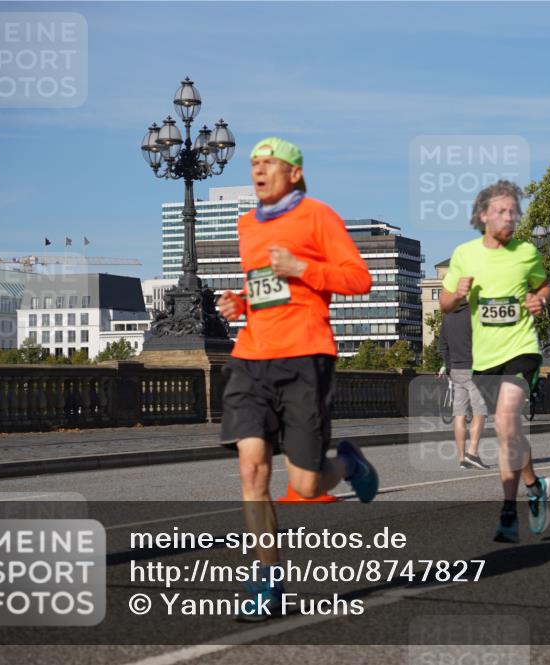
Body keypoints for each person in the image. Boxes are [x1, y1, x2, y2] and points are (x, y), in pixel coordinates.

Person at [216, 136, 378, 621]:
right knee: (252, 470)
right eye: (254, 164)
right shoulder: (246, 225)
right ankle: (266, 578)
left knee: (306, 486)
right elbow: (264, 287)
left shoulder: (318, 216)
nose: (258, 171)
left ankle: (349, 465)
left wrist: (302, 266)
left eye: (269, 163)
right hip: (251, 357)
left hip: (306, 356)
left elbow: (359, 279)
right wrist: (240, 303)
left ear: (294, 173)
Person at [440, 180, 550, 544]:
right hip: (484, 358)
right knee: (507, 433)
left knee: (506, 422)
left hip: (521, 349)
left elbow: (543, 286)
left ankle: (508, 510)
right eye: (501, 211)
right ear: (483, 215)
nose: (509, 217)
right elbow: (444, 304)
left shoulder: (526, 252)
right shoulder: (465, 255)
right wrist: (457, 295)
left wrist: (541, 300)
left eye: (513, 211)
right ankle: (534, 488)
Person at [438, 302, 489, 470]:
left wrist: (449, 365)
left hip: (456, 369)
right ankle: (472, 453)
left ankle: (462, 459)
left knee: (459, 414)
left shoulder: (448, 316)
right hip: (474, 368)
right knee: (480, 411)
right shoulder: (476, 313)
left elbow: (442, 346)